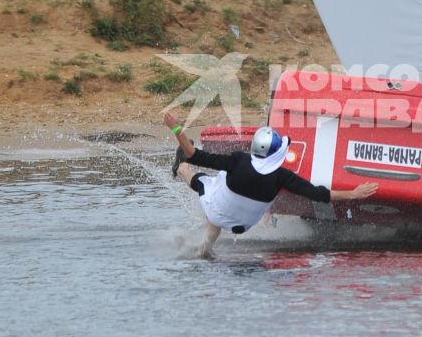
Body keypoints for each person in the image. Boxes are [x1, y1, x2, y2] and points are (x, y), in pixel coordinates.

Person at [162, 107, 378, 260]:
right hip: (244, 224)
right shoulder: (281, 176)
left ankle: (180, 169)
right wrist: (353, 194)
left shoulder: (238, 160)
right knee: (221, 205)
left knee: (203, 184)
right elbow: (316, 193)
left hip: (218, 210)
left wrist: (175, 129)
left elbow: (193, 154)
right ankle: (203, 250)